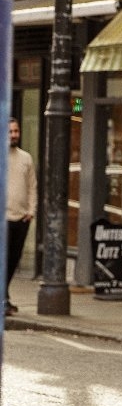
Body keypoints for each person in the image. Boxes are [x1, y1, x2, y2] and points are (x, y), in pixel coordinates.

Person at [6, 117, 37, 316]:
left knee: (13, 260)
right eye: (10, 132)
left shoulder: (26, 158)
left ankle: (4, 296)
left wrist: (31, 210)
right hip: (3, 219)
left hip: (21, 218)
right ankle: (3, 299)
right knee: (3, 260)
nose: (14, 135)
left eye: (16, 131)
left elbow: (32, 186)